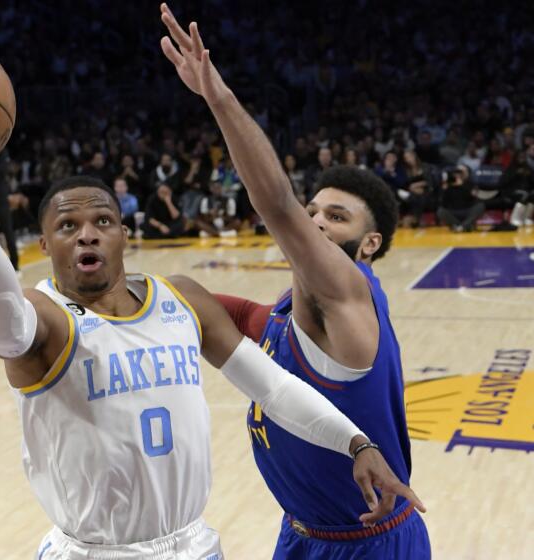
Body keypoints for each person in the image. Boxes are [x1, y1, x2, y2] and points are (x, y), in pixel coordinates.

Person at [0, 126, 423, 559]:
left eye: (103, 220)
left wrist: (358, 443)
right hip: (94, 552)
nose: (87, 233)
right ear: (46, 243)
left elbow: (276, 391)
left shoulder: (180, 300)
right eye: (67, 225)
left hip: (193, 545)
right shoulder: (43, 316)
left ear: (125, 234)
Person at [160, 4, 431, 558]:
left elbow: (277, 205)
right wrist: (152, 297)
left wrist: (218, 98)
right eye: (315, 211)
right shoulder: (298, 311)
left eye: (336, 218)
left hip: (368, 543)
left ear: (369, 244)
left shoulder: (350, 293)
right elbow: (244, 321)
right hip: (301, 534)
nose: (315, 223)